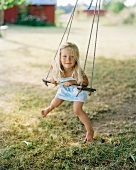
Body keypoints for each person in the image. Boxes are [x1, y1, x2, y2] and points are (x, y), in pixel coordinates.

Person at [41, 42, 94, 142]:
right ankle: (48, 109)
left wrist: (73, 82)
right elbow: (55, 78)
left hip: (78, 91)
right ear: (60, 58)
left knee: (77, 110)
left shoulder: (77, 70)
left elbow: (85, 82)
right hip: (65, 90)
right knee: (55, 102)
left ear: (76, 58)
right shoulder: (59, 69)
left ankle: (89, 131)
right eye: (64, 56)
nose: (68, 59)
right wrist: (52, 79)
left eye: (72, 56)